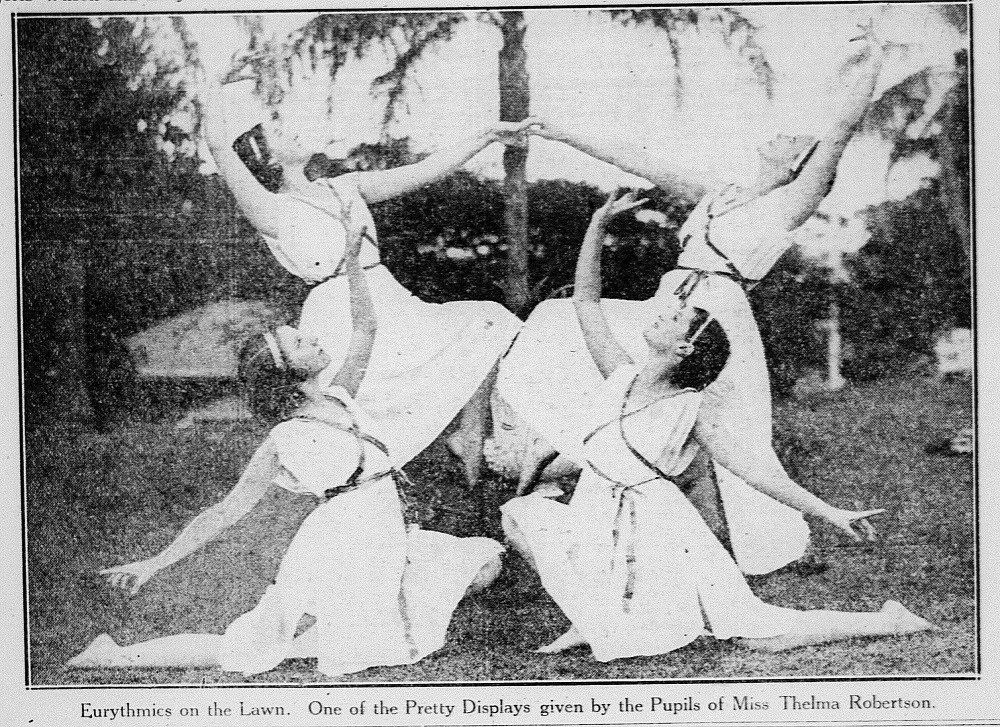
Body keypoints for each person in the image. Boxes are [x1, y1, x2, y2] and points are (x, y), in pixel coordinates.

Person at [498, 26, 888, 574]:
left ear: (800, 162)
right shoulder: (717, 196)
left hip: (715, 315)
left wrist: (869, 64)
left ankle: (740, 543)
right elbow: (641, 159)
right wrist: (559, 133)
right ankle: (564, 459)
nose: (773, 139)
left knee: (722, 430)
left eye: (789, 141)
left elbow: (842, 128)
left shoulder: (789, 206)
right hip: (670, 303)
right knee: (569, 332)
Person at [500, 193, 935, 660]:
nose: (661, 313)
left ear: (685, 349)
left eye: (674, 318)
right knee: (524, 517)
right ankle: (594, 620)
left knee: (754, 633)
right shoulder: (619, 373)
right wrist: (597, 224)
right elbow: (585, 299)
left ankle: (889, 620)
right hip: (596, 513)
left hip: (657, 526)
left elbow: (755, 471)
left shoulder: (692, 409)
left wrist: (830, 513)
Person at [68, 222, 504, 677]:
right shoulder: (284, 440)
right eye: (299, 342)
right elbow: (224, 511)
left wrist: (352, 263)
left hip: (383, 532)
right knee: (260, 645)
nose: (313, 338)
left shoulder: (341, 395)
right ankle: (115, 655)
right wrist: (155, 563)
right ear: (285, 373)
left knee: (477, 564)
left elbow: (367, 328)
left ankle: (348, 626)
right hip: (343, 542)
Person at [201, 76, 526, 486]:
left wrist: (487, 136)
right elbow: (218, 147)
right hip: (338, 310)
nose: (293, 130)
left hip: (387, 294)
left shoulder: (344, 186)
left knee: (488, 323)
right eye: (278, 131)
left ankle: (469, 433)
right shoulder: (270, 209)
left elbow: (424, 171)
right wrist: (214, 90)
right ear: (268, 159)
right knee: (353, 407)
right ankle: (357, 486)